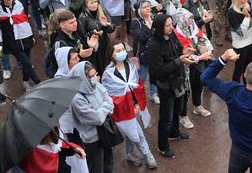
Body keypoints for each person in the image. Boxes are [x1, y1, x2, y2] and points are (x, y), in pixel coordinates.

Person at [101, 40, 158, 169]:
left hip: (135, 107)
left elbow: (137, 86)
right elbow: (109, 96)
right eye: (118, 51)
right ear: (112, 55)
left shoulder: (130, 66)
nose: (122, 52)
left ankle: (130, 153)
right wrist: (127, 105)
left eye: (123, 49)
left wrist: (137, 104)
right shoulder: (108, 74)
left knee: (131, 132)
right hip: (123, 111)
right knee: (137, 134)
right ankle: (148, 155)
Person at [147, 14, 191, 159]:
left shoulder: (171, 36)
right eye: (167, 25)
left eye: (171, 24)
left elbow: (178, 50)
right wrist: (179, 61)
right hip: (166, 86)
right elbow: (159, 71)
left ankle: (174, 133)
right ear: (160, 27)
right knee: (166, 117)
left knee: (178, 109)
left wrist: (185, 52)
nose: (171, 27)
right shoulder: (153, 44)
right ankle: (162, 145)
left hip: (177, 81)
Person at [69, 61, 115, 173]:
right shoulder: (77, 98)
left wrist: (102, 108)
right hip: (92, 139)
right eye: (92, 76)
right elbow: (98, 118)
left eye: (95, 74)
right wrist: (105, 106)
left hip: (105, 131)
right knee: (96, 167)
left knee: (109, 161)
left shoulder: (96, 85)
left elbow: (110, 102)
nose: (96, 78)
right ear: (83, 79)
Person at [173, 8, 213, 129]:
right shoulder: (176, 35)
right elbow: (184, 53)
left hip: (198, 63)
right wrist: (200, 57)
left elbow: (202, 39)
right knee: (185, 91)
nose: (191, 22)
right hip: (185, 67)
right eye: (188, 20)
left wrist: (208, 50)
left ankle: (197, 106)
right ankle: (183, 116)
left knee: (198, 84)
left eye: (191, 19)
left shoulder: (193, 28)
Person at [0, 0, 41, 90]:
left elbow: (24, 21)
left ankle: (25, 82)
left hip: (25, 37)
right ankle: (39, 84)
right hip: (12, 41)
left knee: (26, 63)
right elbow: (0, 27)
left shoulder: (18, 4)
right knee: (26, 63)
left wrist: (32, 37)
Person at [227, 0, 252, 83]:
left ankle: (247, 88)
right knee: (239, 69)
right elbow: (241, 32)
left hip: (251, 41)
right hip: (240, 45)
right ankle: (235, 89)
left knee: (248, 69)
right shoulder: (231, 12)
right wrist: (247, 17)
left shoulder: (247, 6)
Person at [77, 0, 115, 76]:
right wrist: (92, 33)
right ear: (86, 4)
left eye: (95, 2)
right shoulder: (83, 17)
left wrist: (106, 26)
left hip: (104, 42)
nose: (94, 5)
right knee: (96, 66)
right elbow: (82, 35)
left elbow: (112, 28)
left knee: (106, 63)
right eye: (91, 3)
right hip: (92, 46)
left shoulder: (102, 12)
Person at [131, 0, 160, 104]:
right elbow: (141, 37)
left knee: (154, 75)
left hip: (154, 53)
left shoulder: (153, 18)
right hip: (142, 55)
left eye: (148, 6)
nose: (148, 8)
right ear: (139, 10)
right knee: (141, 78)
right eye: (144, 7)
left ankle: (152, 94)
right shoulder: (136, 22)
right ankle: (136, 96)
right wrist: (148, 26)